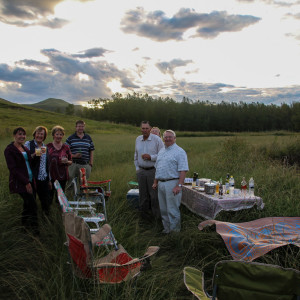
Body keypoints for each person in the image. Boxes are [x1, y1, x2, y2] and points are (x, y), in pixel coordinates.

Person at [152, 130, 189, 233]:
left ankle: (175, 232)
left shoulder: (179, 151)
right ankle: (167, 229)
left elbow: (183, 170)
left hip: (172, 183)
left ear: (174, 138)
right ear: (163, 138)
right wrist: (155, 182)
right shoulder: (162, 150)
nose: (167, 138)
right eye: (166, 137)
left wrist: (179, 186)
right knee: (163, 209)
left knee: (172, 210)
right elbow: (157, 168)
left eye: (170, 137)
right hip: (161, 184)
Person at [4, 127, 39, 234]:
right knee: (33, 205)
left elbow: (30, 162)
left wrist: (37, 155)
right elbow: (13, 169)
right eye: (20, 134)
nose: (22, 136)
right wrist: (26, 182)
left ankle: (24, 227)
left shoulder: (25, 148)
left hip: (30, 180)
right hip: (21, 182)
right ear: (14, 135)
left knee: (27, 205)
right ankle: (35, 231)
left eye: (24, 134)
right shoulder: (9, 150)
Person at [134, 121, 164, 219]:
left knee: (154, 196)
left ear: (150, 129)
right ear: (140, 129)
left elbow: (162, 154)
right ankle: (144, 218)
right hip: (141, 171)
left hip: (153, 171)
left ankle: (157, 218)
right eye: (143, 128)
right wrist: (138, 169)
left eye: (147, 128)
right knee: (143, 195)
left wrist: (151, 157)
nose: (145, 130)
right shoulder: (138, 139)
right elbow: (135, 156)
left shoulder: (157, 140)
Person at [25, 126, 51, 216]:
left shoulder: (45, 147)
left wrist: (49, 180)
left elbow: (47, 165)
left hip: (43, 178)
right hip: (32, 179)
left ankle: (46, 220)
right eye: (38, 133)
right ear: (34, 134)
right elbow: (24, 160)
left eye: (42, 134)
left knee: (46, 202)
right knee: (30, 203)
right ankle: (29, 223)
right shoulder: (28, 144)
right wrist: (34, 154)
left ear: (44, 136)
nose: (39, 135)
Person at [66, 120, 95, 188]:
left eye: (82, 126)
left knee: (83, 184)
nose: (81, 128)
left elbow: (91, 150)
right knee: (69, 181)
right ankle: (66, 196)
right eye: (79, 126)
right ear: (76, 127)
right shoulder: (70, 138)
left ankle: (81, 197)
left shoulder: (88, 138)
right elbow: (65, 151)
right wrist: (74, 155)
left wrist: (91, 163)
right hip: (73, 164)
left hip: (85, 164)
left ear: (84, 127)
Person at [47, 126, 72, 201]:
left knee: (60, 197)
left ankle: (60, 211)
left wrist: (67, 161)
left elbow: (71, 161)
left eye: (61, 134)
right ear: (53, 135)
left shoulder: (66, 147)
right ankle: (48, 212)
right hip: (51, 176)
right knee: (49, 196)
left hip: (62, 176)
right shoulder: (48, 146)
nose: (59, 136)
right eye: (57, 134)